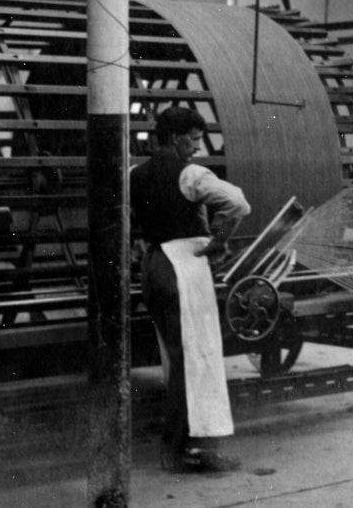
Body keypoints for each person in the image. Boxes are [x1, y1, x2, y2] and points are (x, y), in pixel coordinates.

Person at [130, 106, 251, 473]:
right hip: (183, 266)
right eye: (194, 140)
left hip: (153, 265)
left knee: (176, 360)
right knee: (196, 360)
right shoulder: (191, 174)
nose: (197, 148)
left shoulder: (134, 173)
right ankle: (190, 449)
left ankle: (178, 443)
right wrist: (218, 241)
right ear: (175, 138)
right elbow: (238, 203)